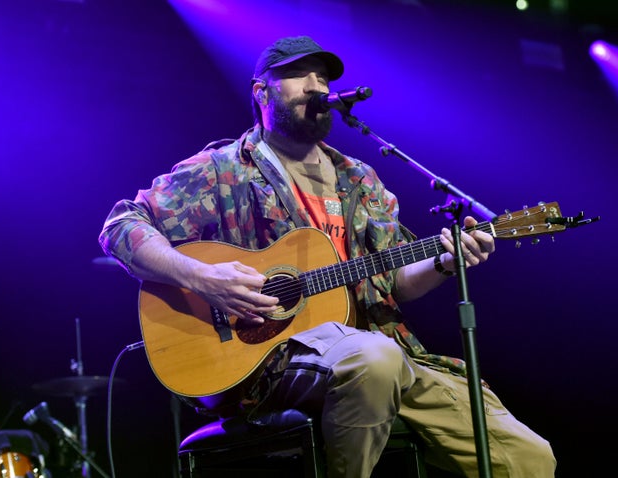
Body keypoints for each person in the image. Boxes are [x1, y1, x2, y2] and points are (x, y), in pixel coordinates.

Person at [99, 35, 556, 477]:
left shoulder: (359, 179)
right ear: (262, 92)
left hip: (384, 349)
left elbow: (395, 279)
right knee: (374, 360)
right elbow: (120, 226)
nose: (317, 86)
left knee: (528, 457)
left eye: (322, 77)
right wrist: (203, 277)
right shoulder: (222, 170)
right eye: (299, 75)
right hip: (271, 361)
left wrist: (446, 260)